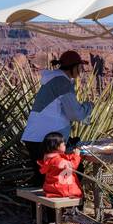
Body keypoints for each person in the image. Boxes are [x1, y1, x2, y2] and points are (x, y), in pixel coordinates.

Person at [21, 50, 92, 187]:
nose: (81, 70)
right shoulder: (62, 82)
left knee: (42, 178)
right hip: (46, 140)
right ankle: (65, 207)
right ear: (74, 67)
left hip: (36, 137)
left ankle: (41, 208)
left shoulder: (54, 80)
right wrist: (88, 106)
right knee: (70, 174)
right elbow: (75, 114)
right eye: (80, 67)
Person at [38, 131, 83, 199]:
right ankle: (75, 208)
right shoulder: (58, 160)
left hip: (50, 188)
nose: (65, 145)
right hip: (62, 189)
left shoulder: (48, 157)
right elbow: (72, 166)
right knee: (79, 193)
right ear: (56, 146)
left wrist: (72, 156)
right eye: (64, 144)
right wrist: (76, 156)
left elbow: (63, 160)